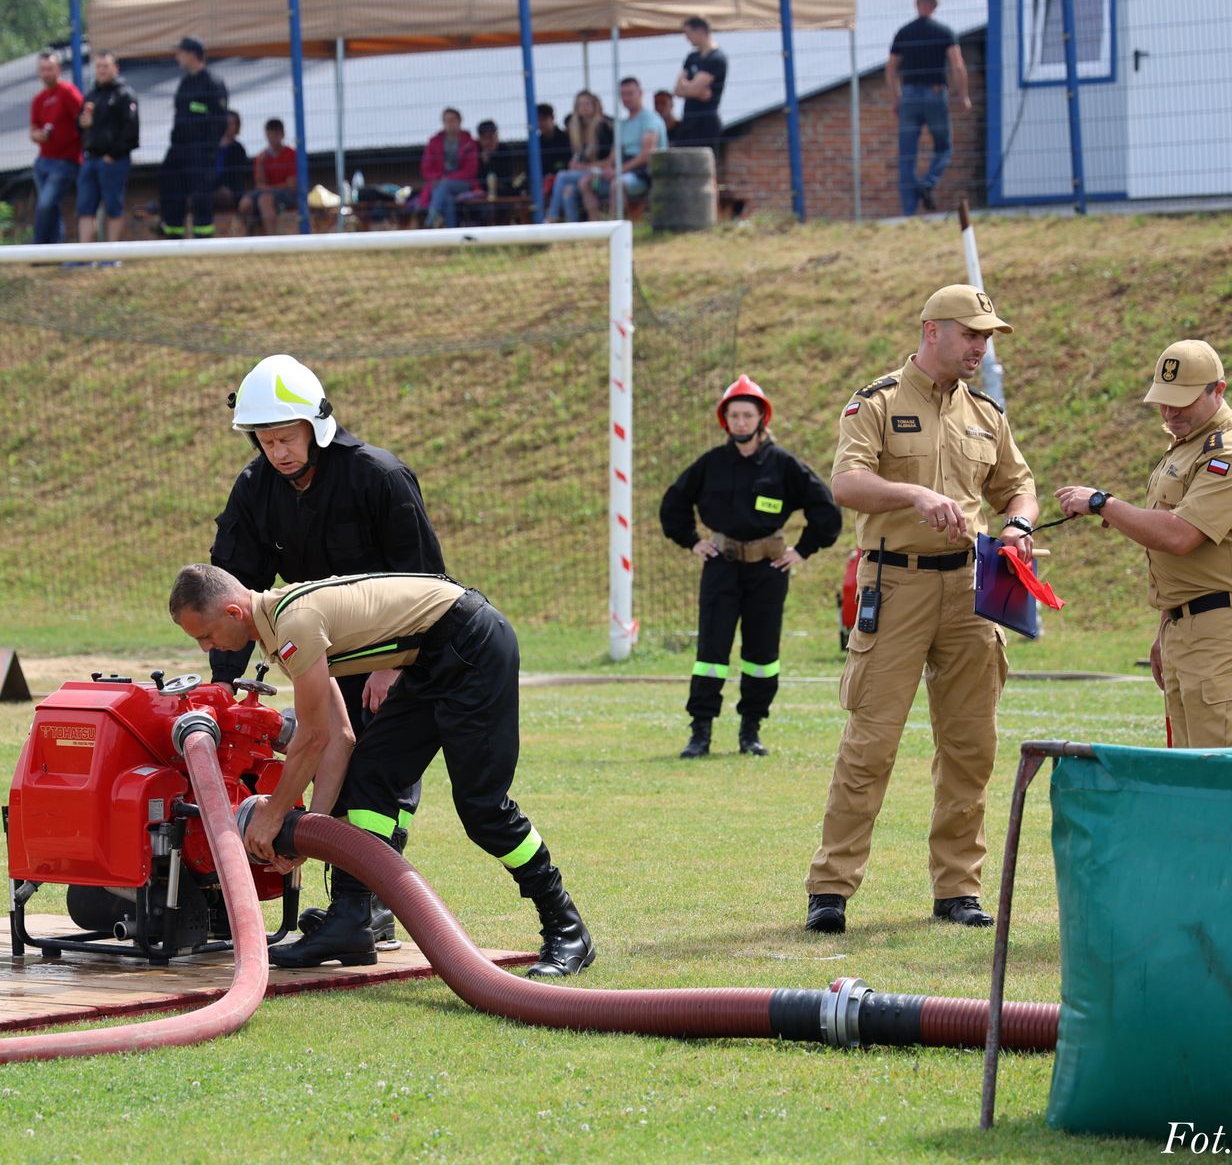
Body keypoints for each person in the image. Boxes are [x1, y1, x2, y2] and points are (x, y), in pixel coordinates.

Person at [170, 564, 595, 978]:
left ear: (232, 613)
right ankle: (352, 921)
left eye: (205, 636)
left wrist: (274, 814)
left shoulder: (293, 624)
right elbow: (340, 738)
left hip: (473, 645)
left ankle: (566, 927)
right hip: (433, 656)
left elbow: (313, 738)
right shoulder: (281, 627)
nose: (207, 649)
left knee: (483, 809)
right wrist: (311, 832)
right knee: (370, 773)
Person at [805, 284, 1038, 934]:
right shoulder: (875, 401)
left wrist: (1018, 523)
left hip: (970, 592)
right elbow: (846, 483)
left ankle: (957, 889)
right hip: (896, 588)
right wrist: (911, 494)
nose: (980, 347)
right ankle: (831, 887)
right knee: (870, 742)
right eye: (972, 334)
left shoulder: (986, 413)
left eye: (987, 336)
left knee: (970, 745)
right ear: (932, 330)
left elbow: (1018, 483)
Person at [209, 353, 446, 949]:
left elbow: (426, 581)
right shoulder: (256, 488)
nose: (278, 452)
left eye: (287, 438)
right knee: (341, 769)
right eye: (265, 441)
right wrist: (223, 682)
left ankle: (361, 910)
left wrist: (394, 664)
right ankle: (363, 909)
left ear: (317, 426)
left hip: (402, 655)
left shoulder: (379, 476)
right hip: (326, 654)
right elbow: (232, 590)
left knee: (377, 780)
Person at [1053, 340, 1232, 751]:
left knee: (1220, 772)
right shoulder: (1190, 444)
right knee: (1188, 773)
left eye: (1182, 402)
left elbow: (1178, 535)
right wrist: (1167, 627)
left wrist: (1103, 503)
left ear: (1219, 391)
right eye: (1163, 401)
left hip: (1226, 631)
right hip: (1191, 626)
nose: (1170, 412)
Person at [659, 375, 840, 759]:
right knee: (711, 653)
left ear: (761, 419)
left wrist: (803, 550)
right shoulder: (710, 464)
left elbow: (826, 510)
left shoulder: (783, 465)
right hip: (720, 570)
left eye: (748, 415)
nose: (741, 422)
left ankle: (751, 730)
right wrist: (694, 542)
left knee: (762, 655)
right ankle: (700, 733)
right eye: (734, 415)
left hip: (767, 573)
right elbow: (673, 505)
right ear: (725, 420)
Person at [886, 0, 971, 216]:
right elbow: (957, 64)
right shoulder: (944, 32)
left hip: (909, 97)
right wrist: (962, 94)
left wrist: (896, 98)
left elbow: (891, 67)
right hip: (935, 95)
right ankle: (928, 183)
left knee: (907, 156)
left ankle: (908, 212)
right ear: (935, 5)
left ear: (916, 4)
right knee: (944, 148)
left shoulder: (903, 33)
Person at [159, 36, 228, 239]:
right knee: (172, 192)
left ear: (192, 54)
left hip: (200, 152)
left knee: (201, 197)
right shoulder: (185, 83)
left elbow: (220, 121)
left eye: (180, 52)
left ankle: (203, 239)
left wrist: (207, 149)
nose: (177, 56)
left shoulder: (212, 83)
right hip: (179, 149)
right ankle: (173, 236)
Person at [76, 50, 139, 247]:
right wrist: (82, 123)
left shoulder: (124, 94)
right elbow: (80, 126)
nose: (101, 71)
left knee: (113, 207)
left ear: (115, 68)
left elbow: (131, 131)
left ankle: (112, 253)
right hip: (90, 159)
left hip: (113, 161)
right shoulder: (91, 95)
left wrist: (112, 155)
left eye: (106, 66)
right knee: (85, 208)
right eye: (98, 67)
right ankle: (85, 255)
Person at [585, 77, 666, 218]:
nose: (626, 98)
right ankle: (595, 225)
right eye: (622, 94)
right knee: (586, 182)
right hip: (623, 170)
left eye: (630, 93)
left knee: (617, 185)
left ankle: (614, 227)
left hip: (645, 173)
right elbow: (614, 153)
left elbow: (646, 155)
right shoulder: (622, 124)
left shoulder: (651, 120)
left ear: (640, 93)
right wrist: (607, 169)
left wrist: (617, 171)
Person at [27, 50, 84, 245]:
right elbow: (33, 130)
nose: (47, 73)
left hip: (66, 161)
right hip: (43, 162)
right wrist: (39, 135)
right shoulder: (38, 99)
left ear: (58, 69)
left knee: (45, 205)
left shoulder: (68, 92)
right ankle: (55, 248)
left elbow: (83, 119)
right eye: (43, 70)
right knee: (51, 207)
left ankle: (39, 248)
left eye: (50, 69)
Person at [547, 91, 612, 223]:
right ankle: (574, 232)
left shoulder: (602, 127)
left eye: (587, 103)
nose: (584, 107)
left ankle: (552, 216)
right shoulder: (578, 130)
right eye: (580, 104)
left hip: (601, 175)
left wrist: (582, 167)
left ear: (595, 105)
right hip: (585, 175)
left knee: (562, 176)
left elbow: (609, 161)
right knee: (567, 191)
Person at [417, 108, 480, 229]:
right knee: (447, 198)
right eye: (446, 121)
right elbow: (426, 169)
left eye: (452, 120)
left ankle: (431, 219)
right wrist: (440, 177)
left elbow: (471, 171)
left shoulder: (469, 142)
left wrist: (448, 178)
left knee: (444, 186)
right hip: (440, 183)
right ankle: (451, 233)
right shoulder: (434, 142)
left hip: (463, 183)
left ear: (460, 121)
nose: (449, 124)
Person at [671, 16, 727, 149]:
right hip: (688, 120)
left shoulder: (716, 58)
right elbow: (678, 90)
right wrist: (691, 89)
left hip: (706, 122)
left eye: (688, 33)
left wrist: (688, 87)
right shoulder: (692, 57)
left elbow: (693, 88)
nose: (687, 38)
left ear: (700, 31)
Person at [237, 118, 299, 235]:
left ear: (282, 134)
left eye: (276, 134)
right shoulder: (261, 157)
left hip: (287, 194)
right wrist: (260, 164)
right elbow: (259, 184)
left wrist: (269, 189)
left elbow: (291, 184)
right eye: (270, 134)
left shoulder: (291, 155)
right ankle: (250, 236)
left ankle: (272, 240)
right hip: (266, 192)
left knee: (265, 200)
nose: (272, 138)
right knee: (245, 203)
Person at [214, 110, 252, 220]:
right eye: (225, 122)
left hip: (231, 190)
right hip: (211, 188)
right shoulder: (210, 147)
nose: (227, 126)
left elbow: (237, 176)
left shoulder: (238, 149)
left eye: (231, 123)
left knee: (223, 195)